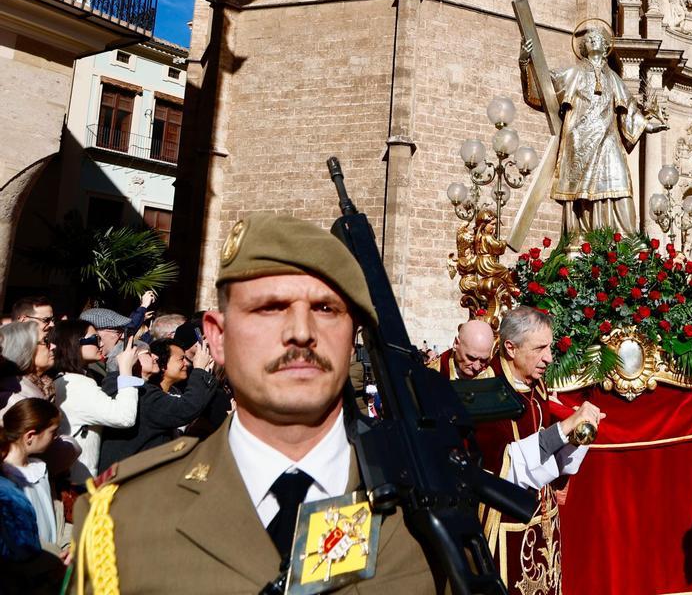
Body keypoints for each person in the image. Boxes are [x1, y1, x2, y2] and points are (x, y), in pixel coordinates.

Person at [71, 212, 439, 593]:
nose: (300, 333)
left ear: (352, 336)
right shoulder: (125, 516)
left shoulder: (424, 515)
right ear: (217, 337)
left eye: (325, 309)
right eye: (270, 307)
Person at [473, 306, 601, 595]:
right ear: (510, 348)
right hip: (505, 520)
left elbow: (545, 452)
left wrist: (579, 436)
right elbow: (508, 464)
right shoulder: (485, 392)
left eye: (550, 347)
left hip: (542, 518)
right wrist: (564, 428)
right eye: (540, 348)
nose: (549, 358)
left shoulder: (536, 384)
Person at [519, 23, 666, 239]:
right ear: (583, 47)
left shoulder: (613, 77)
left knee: (621, 185)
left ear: (606, 46)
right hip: (579, 140)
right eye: (588, 39)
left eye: (597, 37)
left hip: (608, 141)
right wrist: (525, 62)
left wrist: (648, 125)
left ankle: (626, 239)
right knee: (583, 194)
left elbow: (629, 106)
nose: (593, 39)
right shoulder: (574, 72)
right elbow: (544, 84)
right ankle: (584, 236)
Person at [96, 339, 221, 471]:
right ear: (128, 359)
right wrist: (200, 370)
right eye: (148, 354)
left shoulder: (132, 388)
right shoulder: (138, 393)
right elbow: (185, 408)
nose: (155, 356)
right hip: (131, 479)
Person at [49, 319, 140, 484]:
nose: (101, 344)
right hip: (76, 481)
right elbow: (124, 417)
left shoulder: (70, 379)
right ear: (73, 344)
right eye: (94, 339)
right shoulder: (77, 384)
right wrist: (126, 371)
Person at [2, 398, 65, 556]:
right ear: (30, 436)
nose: (56, 436)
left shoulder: (39, 468)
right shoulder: (6, 480)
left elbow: (55, 518)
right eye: (53, 431)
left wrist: (66, 545)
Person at [0, 320, 56, 417]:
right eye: (45, 340)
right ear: (24, 348)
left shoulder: (41, 386)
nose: (53, 346)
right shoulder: (16, 400)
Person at [428, 319, 495, 380]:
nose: (476, 367)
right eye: (471, 358)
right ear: (456, 344)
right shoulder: (430, 376)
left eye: (483, 360)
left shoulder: (493, 375)